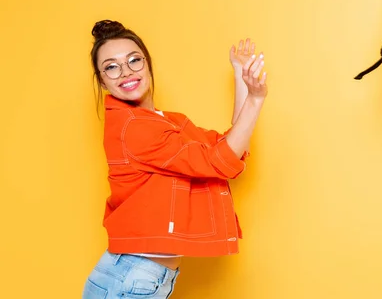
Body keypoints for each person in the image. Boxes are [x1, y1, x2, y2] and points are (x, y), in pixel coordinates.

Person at [82, 20, 267, 298]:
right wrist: (255, 98)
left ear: (147, 63)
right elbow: (220, 161)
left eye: (134, 60)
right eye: (111, 66)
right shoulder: (134, 127)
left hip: (142, 276)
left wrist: (241, 76)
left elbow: (231, 147)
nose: (126, 72)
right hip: (132, 276)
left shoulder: (165, 122)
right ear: (101, 79)